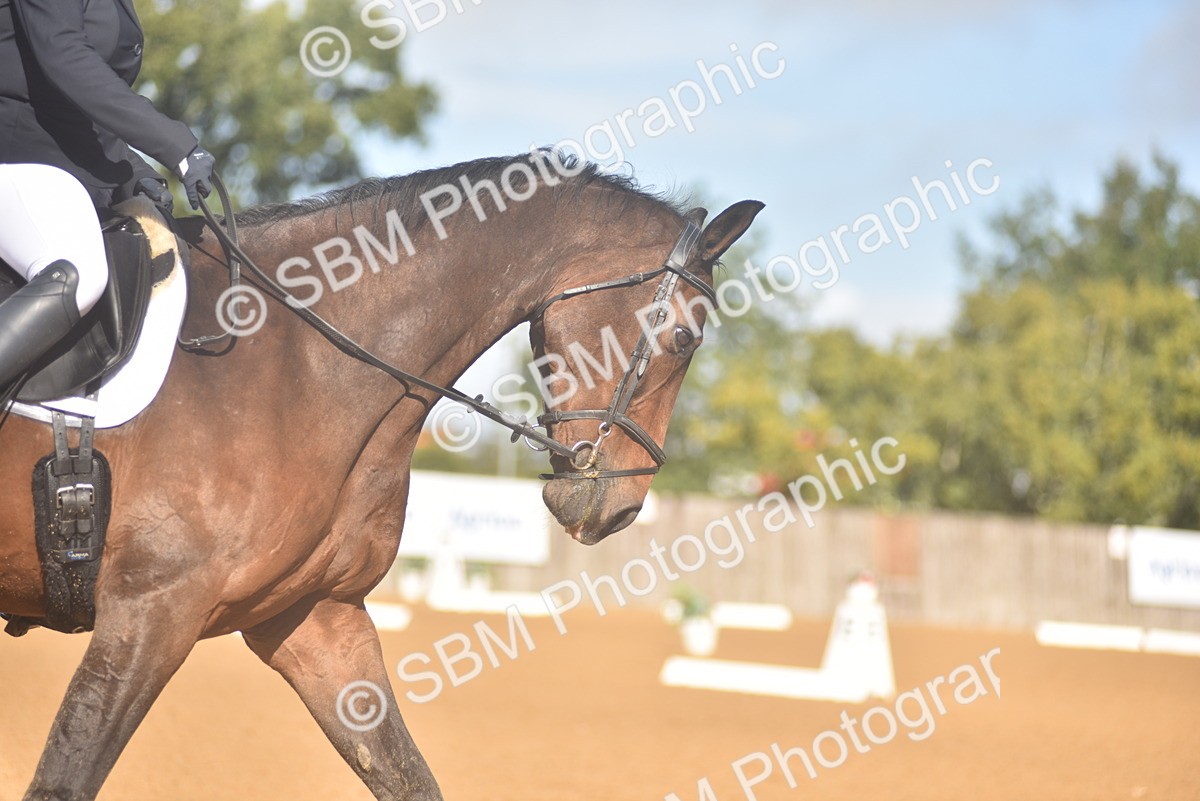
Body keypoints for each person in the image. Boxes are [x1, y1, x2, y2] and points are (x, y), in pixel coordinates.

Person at [0, 0, 214, 389]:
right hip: (13, 157)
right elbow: (63, 55)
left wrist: (132, 172)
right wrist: (175, 146)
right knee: (78, 272)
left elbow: (67, 108)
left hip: (51, 169)